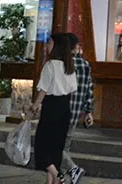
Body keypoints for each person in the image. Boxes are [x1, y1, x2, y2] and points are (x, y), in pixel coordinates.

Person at [30, 34, 78, 184]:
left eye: (50, 43)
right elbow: (72, 89)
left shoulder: (50, 65)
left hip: (51, 107)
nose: (47, 46)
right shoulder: (69, 66)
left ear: (57, 46)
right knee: (56, 147)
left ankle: (58, 176)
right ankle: (51, 181)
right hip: (65, 107)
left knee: (41, 146)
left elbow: (43, 90)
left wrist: (35, 106)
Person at [62, 34, 93, 184]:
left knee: (54, 146)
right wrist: (88, 111)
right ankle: (61, 178)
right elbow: (89, 88)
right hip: (75, 112)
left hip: (61, 110)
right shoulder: (85, 64)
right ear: (76, 47)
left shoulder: (62, 64)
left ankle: (73, 169)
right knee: (65, 147)